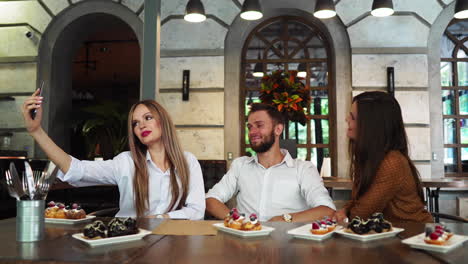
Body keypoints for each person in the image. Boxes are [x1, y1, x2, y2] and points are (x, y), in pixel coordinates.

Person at [22, 89, 205, 219]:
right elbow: (76, 169)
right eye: (135, 123)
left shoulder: (188, 161)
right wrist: (36, 131)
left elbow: (196, 210)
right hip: (130, 239)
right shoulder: (126, 162)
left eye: (148, 118)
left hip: (173, 240)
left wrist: (162, 218)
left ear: (163, 122)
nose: (141, 125)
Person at [206, 103, 335, 222]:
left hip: (287, 244)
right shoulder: (240, 165)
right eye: (250, 127)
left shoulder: (303, 169)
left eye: (259, 125)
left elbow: (326, 210)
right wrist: (237, 222)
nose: (252, 132)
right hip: (246, 242)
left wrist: (284, 220)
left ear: (278, 129)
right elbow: (211, 200)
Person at [334, 91, 432, 223]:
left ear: (370, 125)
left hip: (413, 235)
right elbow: (359, 201)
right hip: (393, 235)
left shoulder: (391, 162)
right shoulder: (373, 157)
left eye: (352, 117)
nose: (346, 119)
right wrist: (345, 210)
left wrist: (344, 214)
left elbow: (361, 214)